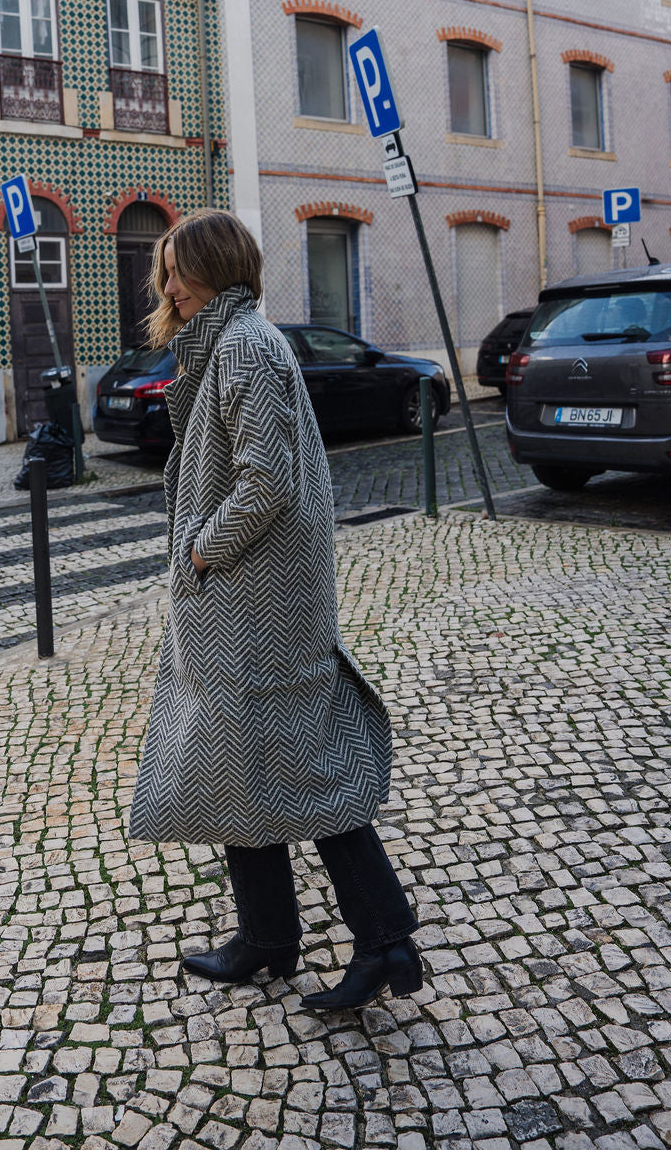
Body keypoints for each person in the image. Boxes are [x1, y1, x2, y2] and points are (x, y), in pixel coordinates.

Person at [128, 208, 422, 1011]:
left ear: (213, 268)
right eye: (163, 268)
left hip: (257, 606)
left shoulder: (247, 346)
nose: (165, 282)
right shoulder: (230, 339)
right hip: (244, 604)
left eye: (175, 267)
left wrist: (200, 549)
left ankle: (385, 938)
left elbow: (268, 481)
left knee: (305, 770)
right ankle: (269, 938)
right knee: (241, 768)